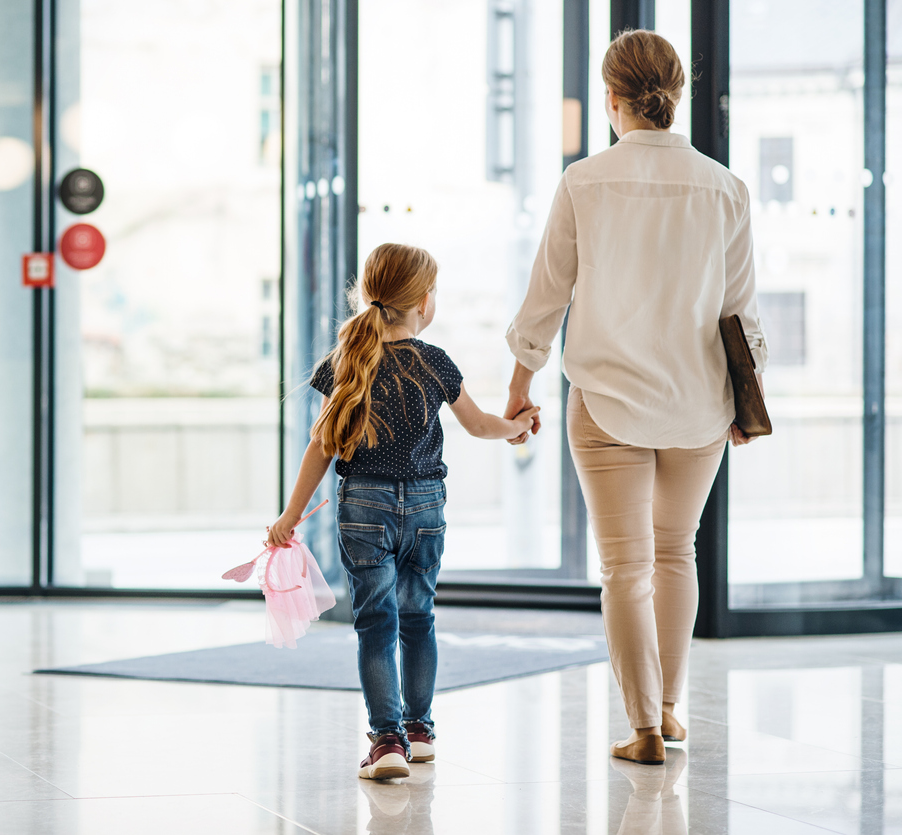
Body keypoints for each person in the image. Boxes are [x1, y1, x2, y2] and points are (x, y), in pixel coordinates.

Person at [504, 29, 768, 765]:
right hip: (699, 402)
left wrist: (518, 389)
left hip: (605, 399)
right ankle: (671, 709)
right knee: (674, 552)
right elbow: (741, 312)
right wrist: (746, 403)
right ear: (675, 96)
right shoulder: (725, 187)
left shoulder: (583, 181)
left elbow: (544, 299)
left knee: (623, 566)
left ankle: (642, 727)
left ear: (611, 98)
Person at [267, 243, 540, 779]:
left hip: (363, 506)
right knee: (419, 617)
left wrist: (289, 516)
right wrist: (518, 427)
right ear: (421, 300)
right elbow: (481, 424)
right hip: (424, 506)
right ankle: (420, 730)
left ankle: (387, 741)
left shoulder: (346, 360)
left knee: (376, 623)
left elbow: (320, 446)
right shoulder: (433, 361)